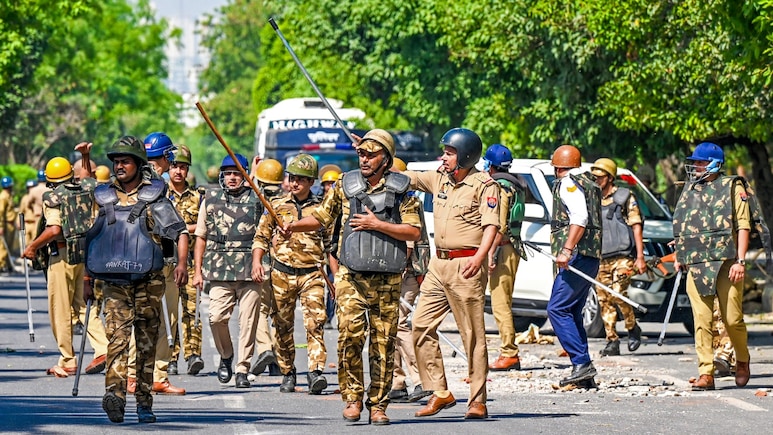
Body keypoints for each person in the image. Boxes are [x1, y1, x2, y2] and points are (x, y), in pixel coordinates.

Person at [284, 129, 421, 425]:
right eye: (361, 153)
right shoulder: (344, 186)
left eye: (371, 154)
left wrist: (377, 224)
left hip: (388, 279)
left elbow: (414, 231)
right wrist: (293, 226)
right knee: (349, 337)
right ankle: (352, 398)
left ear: (386, 159)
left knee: (383, 343)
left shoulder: (402, 189)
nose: (365, 159)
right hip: (351, 276)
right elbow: (321, 218)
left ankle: (379, 404)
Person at [85, 136, 188, 423]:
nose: (119, 166)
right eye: (116, 162)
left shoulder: (154, 195)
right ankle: (115, 396)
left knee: (145, 344)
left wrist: (181, 264)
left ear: (138, 164)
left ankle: (144, 401)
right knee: (117, 340)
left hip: (148, 282)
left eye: (125, 161)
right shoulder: (103, 196)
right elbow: (92, 238)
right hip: (114, 281)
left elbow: (179, 231)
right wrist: (86, 279)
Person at [403, 128, 499, 420]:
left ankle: (477, 400)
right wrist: (378, 151)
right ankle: (440, 391)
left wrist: (480, 257)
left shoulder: (485, 185)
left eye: (449, 153)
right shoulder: (439, 178)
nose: (443, 157)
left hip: (466, 265)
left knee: (472, 335)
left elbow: (491, 226)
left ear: (466, 156)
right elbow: (407, 176)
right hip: (438, 265)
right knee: (420, 325)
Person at [672, 142, 752, 391]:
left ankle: (742, 359)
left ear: (715, 164)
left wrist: (740, 261)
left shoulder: (733, 187)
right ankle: (706, 372)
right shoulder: (690, 188)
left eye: (700, 162)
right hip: (697, 263)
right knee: (702, 319)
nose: (696, 166)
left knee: (732, 319)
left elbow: (743, 225)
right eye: (695, 162)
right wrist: (680, 254)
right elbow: (683, 224)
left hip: (727, 262)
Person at [22, 150, 108, 378]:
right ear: (71, 174)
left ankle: (68, 359)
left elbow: (54, 229)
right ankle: (103, 348)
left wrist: (32, 247)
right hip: (84, 255)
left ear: (50, 179)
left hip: (61, 256)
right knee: (83, 305)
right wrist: (86, 155)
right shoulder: (86, 189)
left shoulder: (53, 197)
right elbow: (88, 177)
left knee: (60, 309)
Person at [252, 153, 330, 394]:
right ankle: (287, 372)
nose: (295, 183)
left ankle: (315, 372)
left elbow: (331, 245)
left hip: (312, 274)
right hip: (281, 274)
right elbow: (261, 237)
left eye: (301, 179)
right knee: (282, 325)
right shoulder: (276, 205)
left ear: (311, 182)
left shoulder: (321, 209)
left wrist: (336, 277)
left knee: (315, 323)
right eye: (292, 178)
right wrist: (257, 262)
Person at [192, 153, 261, 389]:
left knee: (248, 321)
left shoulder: (257, 198)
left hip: (250, 269)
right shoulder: (210, 199)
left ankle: (242, 368)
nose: (232, 178)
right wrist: (197, 271)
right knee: (216, 318)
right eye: (228, 173)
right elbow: (201, 236)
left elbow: (266, 233)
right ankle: (226, 355)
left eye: (237, 173)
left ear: (245, 176)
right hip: (219, 269)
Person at [126, 132, 186, 395]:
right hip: (153, 260)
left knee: (155, 320)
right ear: (166, 156)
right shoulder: (155, 183)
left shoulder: (137, 180)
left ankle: (152, 376)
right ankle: (140, 374)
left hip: (143, 259)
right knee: (156, 320)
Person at [548, 144, 602, 388]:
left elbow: (579, 218)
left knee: (557, 309)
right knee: (572, 310)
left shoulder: (569, 183)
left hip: (577, 256)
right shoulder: (589, 183)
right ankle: (584, 372)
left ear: (558, 167)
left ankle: (581, 363)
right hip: (591, 255)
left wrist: (567, 249)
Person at [386, 157, 433, 403]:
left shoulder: (407, 201)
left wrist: (401, 266)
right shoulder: (389, 198)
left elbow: (409, 242)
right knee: (389, 325)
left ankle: (420, 379)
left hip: (406, 271)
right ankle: (397, 381)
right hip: (392, 270)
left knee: (400, 324)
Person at [590, 158, 645, 357]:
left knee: (618, 292)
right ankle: (611, 340)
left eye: (600, 177)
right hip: (602, 256)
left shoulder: (624, 197)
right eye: (594, 177)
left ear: (610, 177)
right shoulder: (592, 198)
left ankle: (632, 327)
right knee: (604, 299)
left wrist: (640, 256)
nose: (596, 180)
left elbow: (636, 225)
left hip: (623, 256)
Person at [483, 144, 526, 371]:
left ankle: (509, 353)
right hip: (512, 247)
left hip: (502, 248)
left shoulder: (500, 188)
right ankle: (508, 352)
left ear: (490, 165)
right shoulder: (516, 184)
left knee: (500, 303)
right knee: (503, 301)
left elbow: (498, 226)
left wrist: (490, 254)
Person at [167, 145, 205, 376]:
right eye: (174, 166)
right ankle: (170, 356)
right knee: (170, 313)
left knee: (193, 310)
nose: (178, 171)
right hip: (167, 263)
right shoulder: (160, 195)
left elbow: (204, 228)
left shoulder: (198, 197)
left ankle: (193, 355)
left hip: (190, 263)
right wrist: (188, 228)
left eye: (182, 167)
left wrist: (179, 228)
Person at [249, 158, 284, 377]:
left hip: (260, 261)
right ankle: (278, 360)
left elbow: (245, 189)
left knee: (260, 310)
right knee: (279, 312)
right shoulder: (286, 202)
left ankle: (265, 349)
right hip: (282, 264)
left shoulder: (253, 200)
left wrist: (252, 173)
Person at [318, 164, 342, 330]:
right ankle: (326, 315)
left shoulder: (342, 203)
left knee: (337, 284)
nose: (329, 187)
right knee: (328, 285)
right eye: (327, 184)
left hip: (340, 249)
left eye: (332, 184)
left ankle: (335, 316)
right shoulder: (319, 204)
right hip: (324, 251)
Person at [0, 176, 17, 273]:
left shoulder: (9, 195)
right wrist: (1, 226)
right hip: (5, 224)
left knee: (9, 246)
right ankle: (2, 265)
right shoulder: (3, 197)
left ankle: (7, 265)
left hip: (10, 224)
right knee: (3, 246)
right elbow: (1, 212)